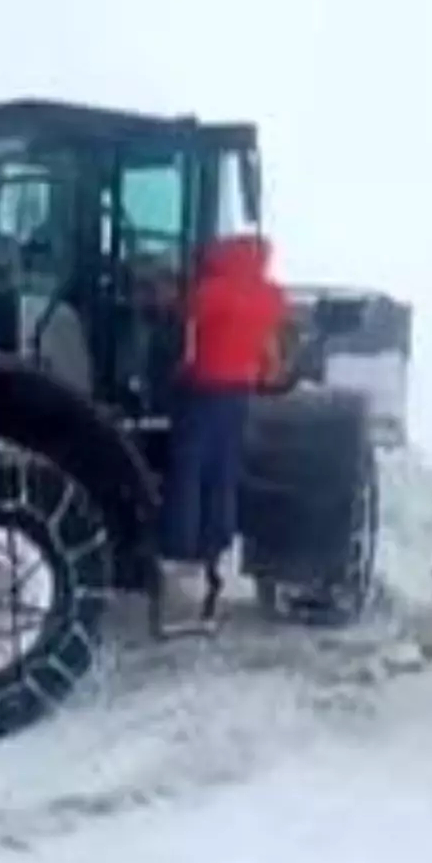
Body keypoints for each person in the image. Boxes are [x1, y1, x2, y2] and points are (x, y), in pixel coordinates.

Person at [153, 233, 287, 632]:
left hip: (201, 391)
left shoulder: (208, 293)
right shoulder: (269, 296)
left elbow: (184, 339)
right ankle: (215, 547)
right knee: (224, 471)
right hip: (240, 392)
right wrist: (266, 374)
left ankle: (180, 548)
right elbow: (271, 352)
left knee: (188, 469)